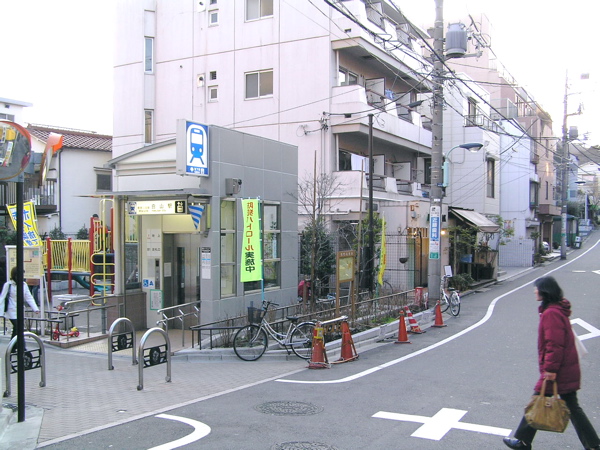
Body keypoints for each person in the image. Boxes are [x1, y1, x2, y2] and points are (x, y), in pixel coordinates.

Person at [503, 276, 600, 450]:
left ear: (544, 291)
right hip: (564, 368)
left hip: (557, 370)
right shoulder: (556, 309)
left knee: (539, 401)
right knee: (566, 406)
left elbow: (554, 344)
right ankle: (593, 444)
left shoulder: (551, 313)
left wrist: (550, 369)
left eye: (537, 288)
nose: (535, 291)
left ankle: (522, 441)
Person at [0, 266, 40, 351]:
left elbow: (29, 297)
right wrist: (0, 312)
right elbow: (2, 298)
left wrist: (35, 308)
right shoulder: (8, 285)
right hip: (11, 310)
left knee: (16, 329)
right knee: (19, 327)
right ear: (15, 275)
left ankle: (12, 347)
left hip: (20, 310)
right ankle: (22, 347)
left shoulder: (24, 285)